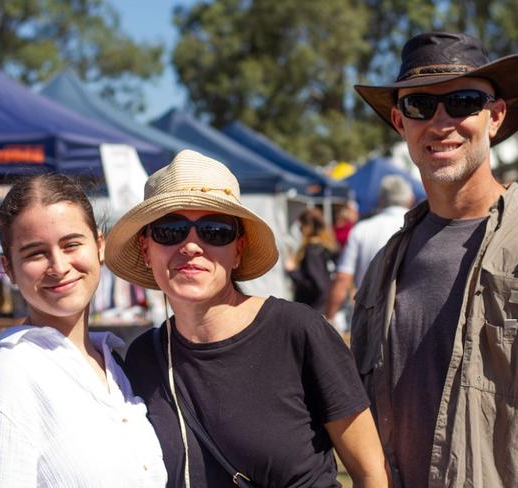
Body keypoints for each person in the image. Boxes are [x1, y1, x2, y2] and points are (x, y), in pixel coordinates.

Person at [351, 31, 518, 487]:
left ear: (495, 117)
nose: (442, 122)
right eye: (421, 105)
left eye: (463, 102)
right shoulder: (384, 265)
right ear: (399, 121)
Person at [105, 149, 390, 487]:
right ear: (145, 248)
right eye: (170, 230)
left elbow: (372, 473)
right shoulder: (143, 358)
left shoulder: (297, 332)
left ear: (238, 248)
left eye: (214, 230)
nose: (191, 246)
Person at [0, 174, 167, 487]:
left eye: (71, 244)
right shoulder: (7, 383)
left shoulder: (115, 366)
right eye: (35, 253)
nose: (58, 265)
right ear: (9, 267)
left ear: (99, 245)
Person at [325, 175, 414, 323]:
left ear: (381, 200)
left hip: (370, 316)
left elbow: (342, 278)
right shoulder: (420, 227)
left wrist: (329, 317)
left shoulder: (362, 229)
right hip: (410, 318)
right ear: (410, 199)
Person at [285, 207, 338, 313]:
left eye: (301, 227)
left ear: (306, 227)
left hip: (312, 308)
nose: (300, 230)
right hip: (321, 307)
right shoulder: (326, 247)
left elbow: (317, 286)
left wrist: (293, 272)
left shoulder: (313, 251)